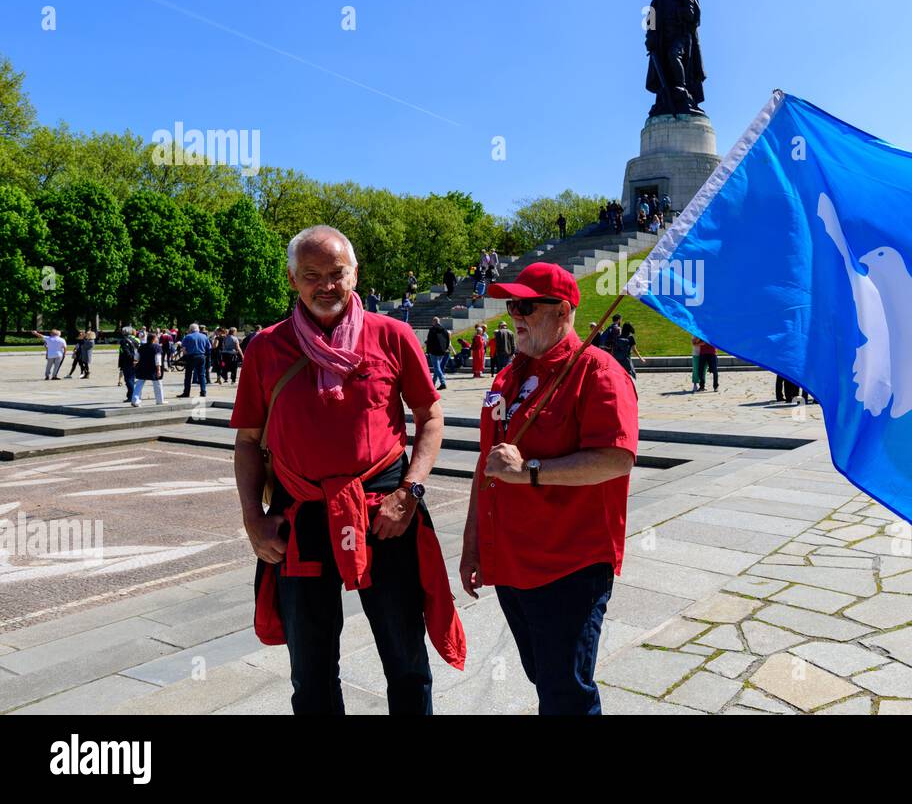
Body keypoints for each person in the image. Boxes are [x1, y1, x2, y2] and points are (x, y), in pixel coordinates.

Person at [230, 224, 465, 714]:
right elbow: (249, 441)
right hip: (301, 519)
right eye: (311, 275)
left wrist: (410, 492)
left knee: (405, 657)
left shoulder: (393, 336)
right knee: (311, 669)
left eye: (336, 273)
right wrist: (253, 517)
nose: (326, 285)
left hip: (385, 512)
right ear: (293, 279)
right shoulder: (265, 348)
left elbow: (430, 416)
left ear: (355, 274)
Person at [460, 262, 638, 715]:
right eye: (511, 304)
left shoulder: (598, 372)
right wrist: (472, 544)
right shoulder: (510, 374)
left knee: (566, 695)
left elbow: (615, 459)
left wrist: (532, 470)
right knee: (546, 677)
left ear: (563, 311)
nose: (514, 314)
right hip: (512, 563)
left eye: (526, 305)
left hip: (567, 566)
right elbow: (489, 467)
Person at [129, 332, 166, 407]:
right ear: (153, 339)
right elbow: (158, 359)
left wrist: (135, 364)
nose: (157, 339)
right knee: (158, 384)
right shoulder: (157, 347)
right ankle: (160, 400)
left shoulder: (142, 347)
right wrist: (158, 370)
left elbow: (136, 358)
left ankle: (134, 400)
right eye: (156, 338)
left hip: (142, 368)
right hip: (153, 368)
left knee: (139, 384)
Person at [178, 323, 211, 398]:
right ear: (198, 329)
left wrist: (187, 355)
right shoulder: (204, 336)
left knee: (188, 375)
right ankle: (203, 392)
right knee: (202, 375)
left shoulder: (187, 337)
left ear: (190, 329)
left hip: (191, 357)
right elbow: (209, 347)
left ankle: (186, 392)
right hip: (201, 356)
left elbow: (183, 349)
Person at [425, 319, 450, 390]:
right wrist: (445, 348)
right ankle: (433, 382)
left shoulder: (432, 330)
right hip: (442, 351)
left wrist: (428, 351)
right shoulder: (444, 330)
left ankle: (443, 383)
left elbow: (429, 341)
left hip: (433, 351)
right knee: (437, 367)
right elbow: (448, 340)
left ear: (434, 322)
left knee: (436, 367)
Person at [118, 327, 140, 395]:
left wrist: (133, 359)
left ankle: (132, 395)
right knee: (131, 379)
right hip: (135, 361)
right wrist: (136, 359)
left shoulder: (124, 341)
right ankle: (131, 395)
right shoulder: (135, 340)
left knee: (128, 379)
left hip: (127, 362)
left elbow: (126, 353)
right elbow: (138, 351)